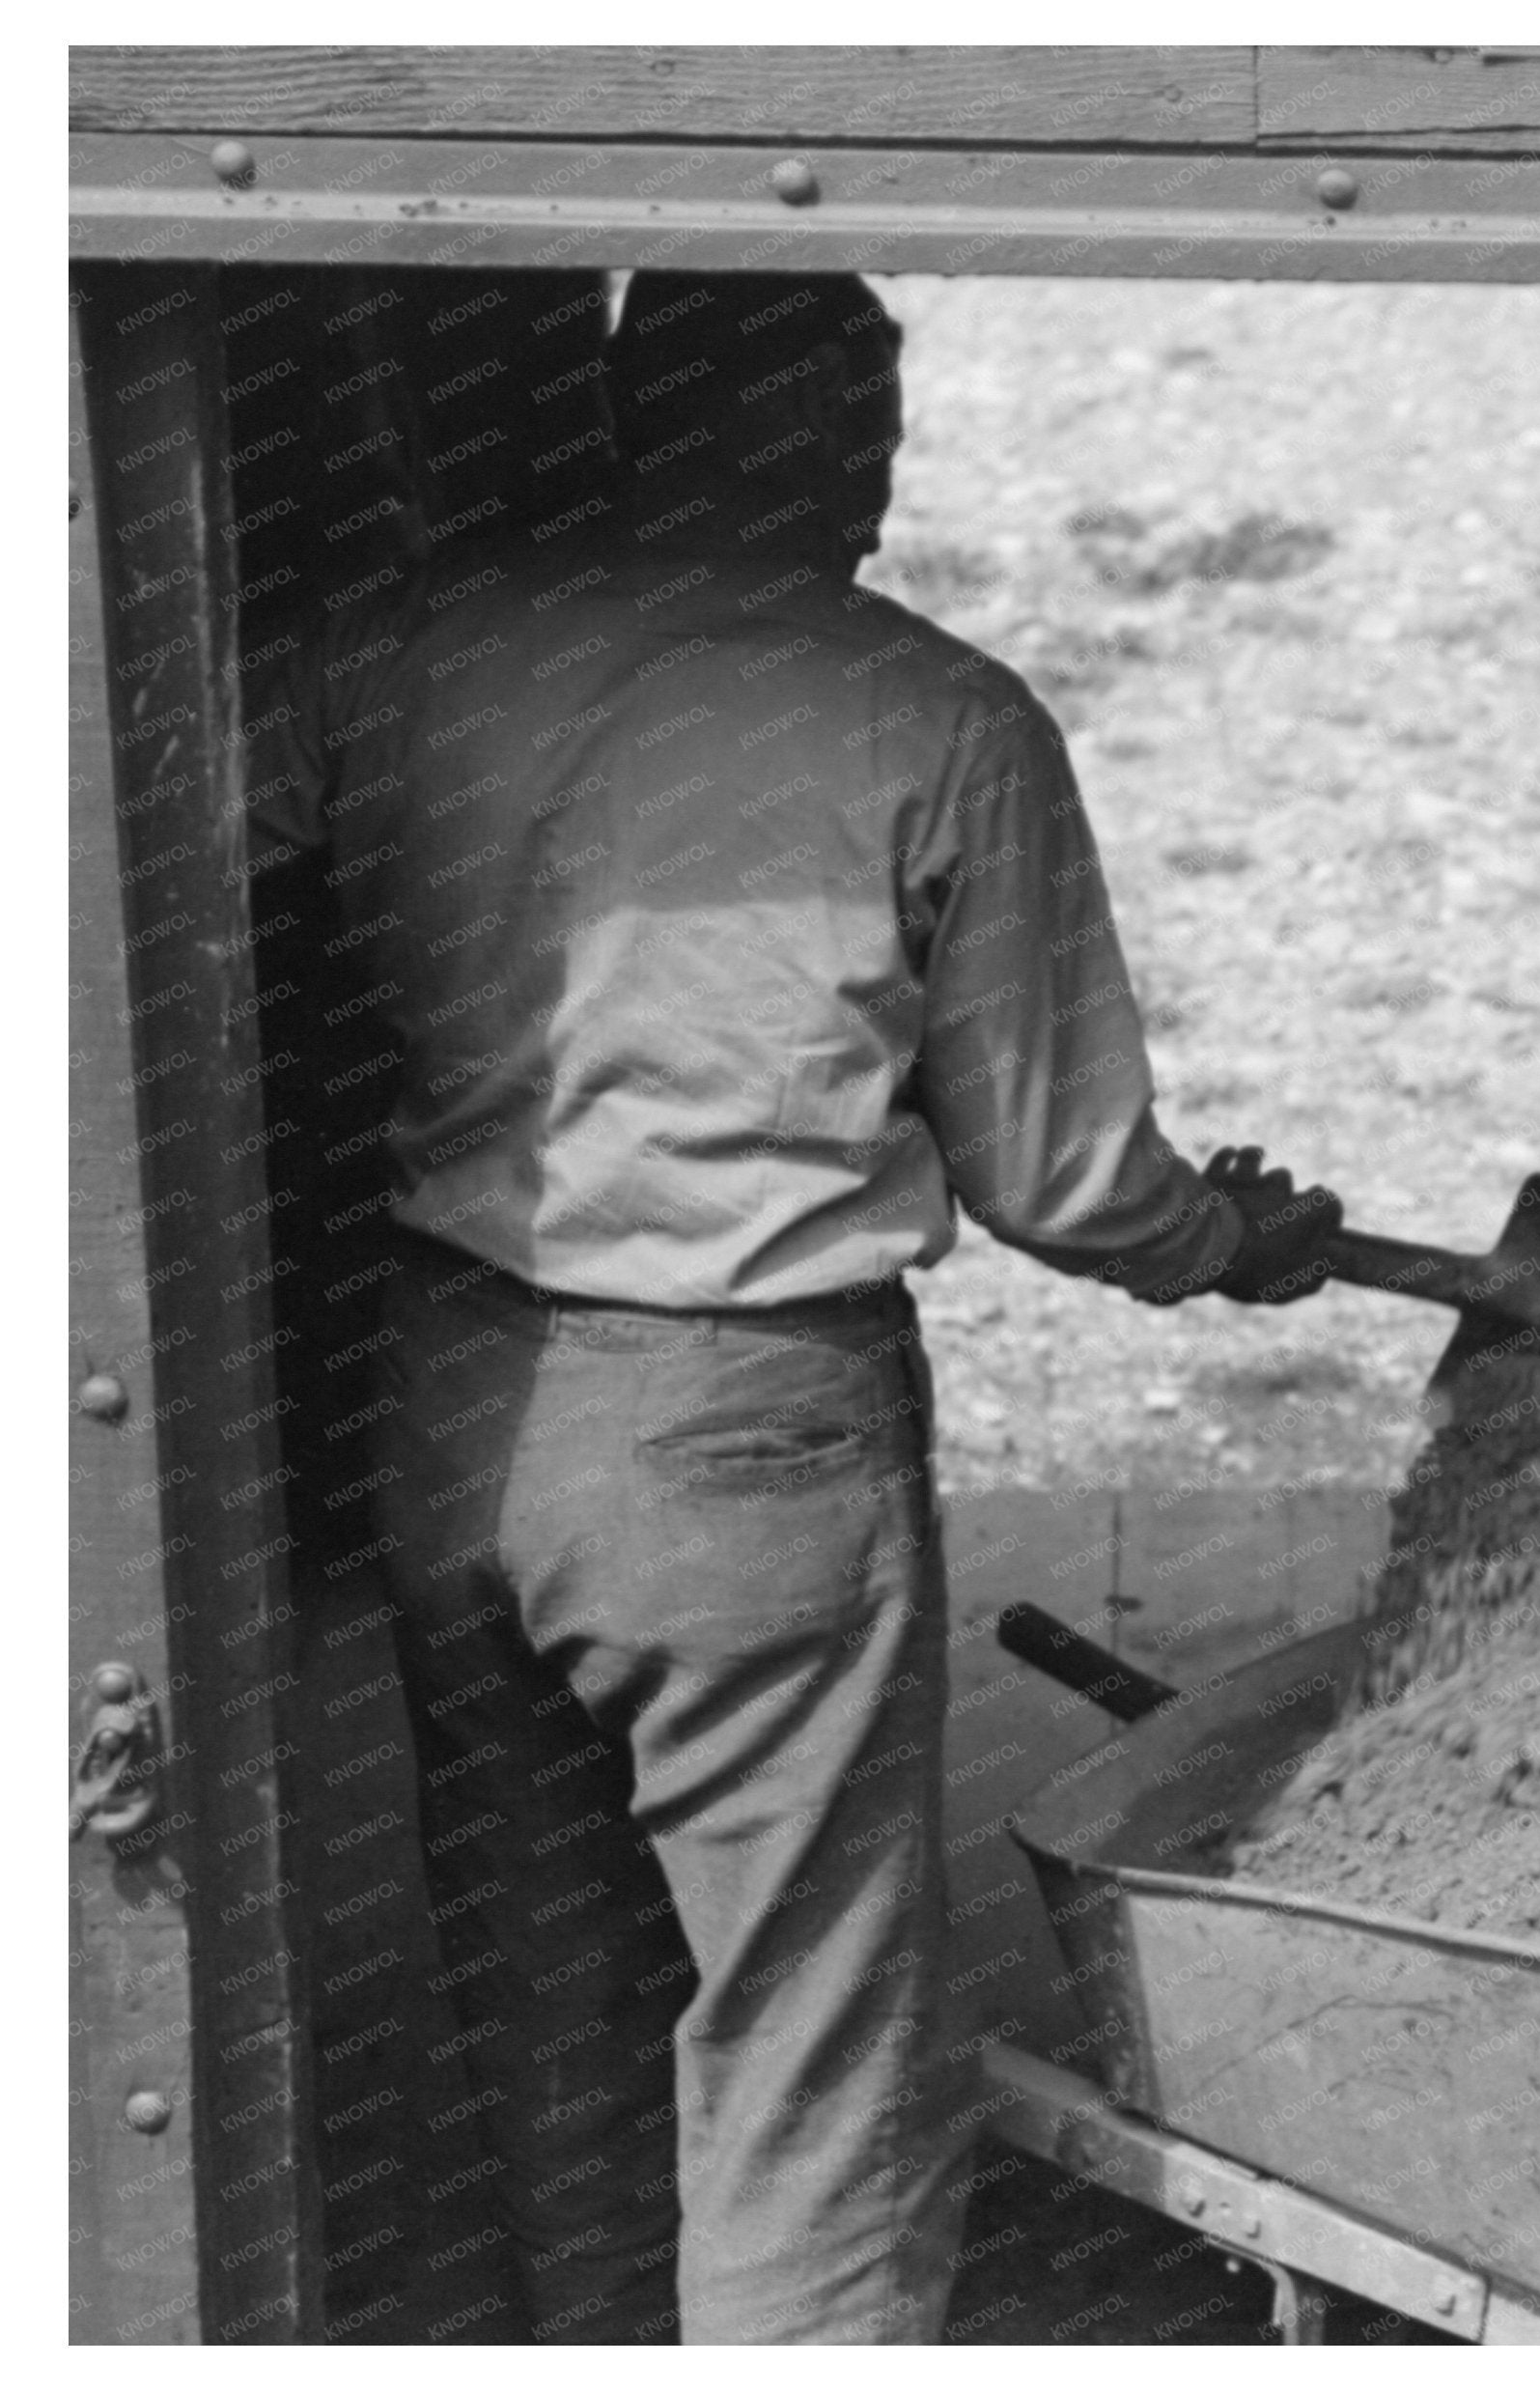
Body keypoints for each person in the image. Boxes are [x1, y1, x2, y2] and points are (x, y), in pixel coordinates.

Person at [246, 270, 1340, 2343]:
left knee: (543, 1968)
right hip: (743, 1435)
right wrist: (1229, 1243)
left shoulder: (401, 658)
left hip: (446, 1401)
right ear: (848, 447)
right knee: (811, 2031)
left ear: (628, 421)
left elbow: (165, 850)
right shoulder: (935, 715)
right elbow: (1062, 1175)